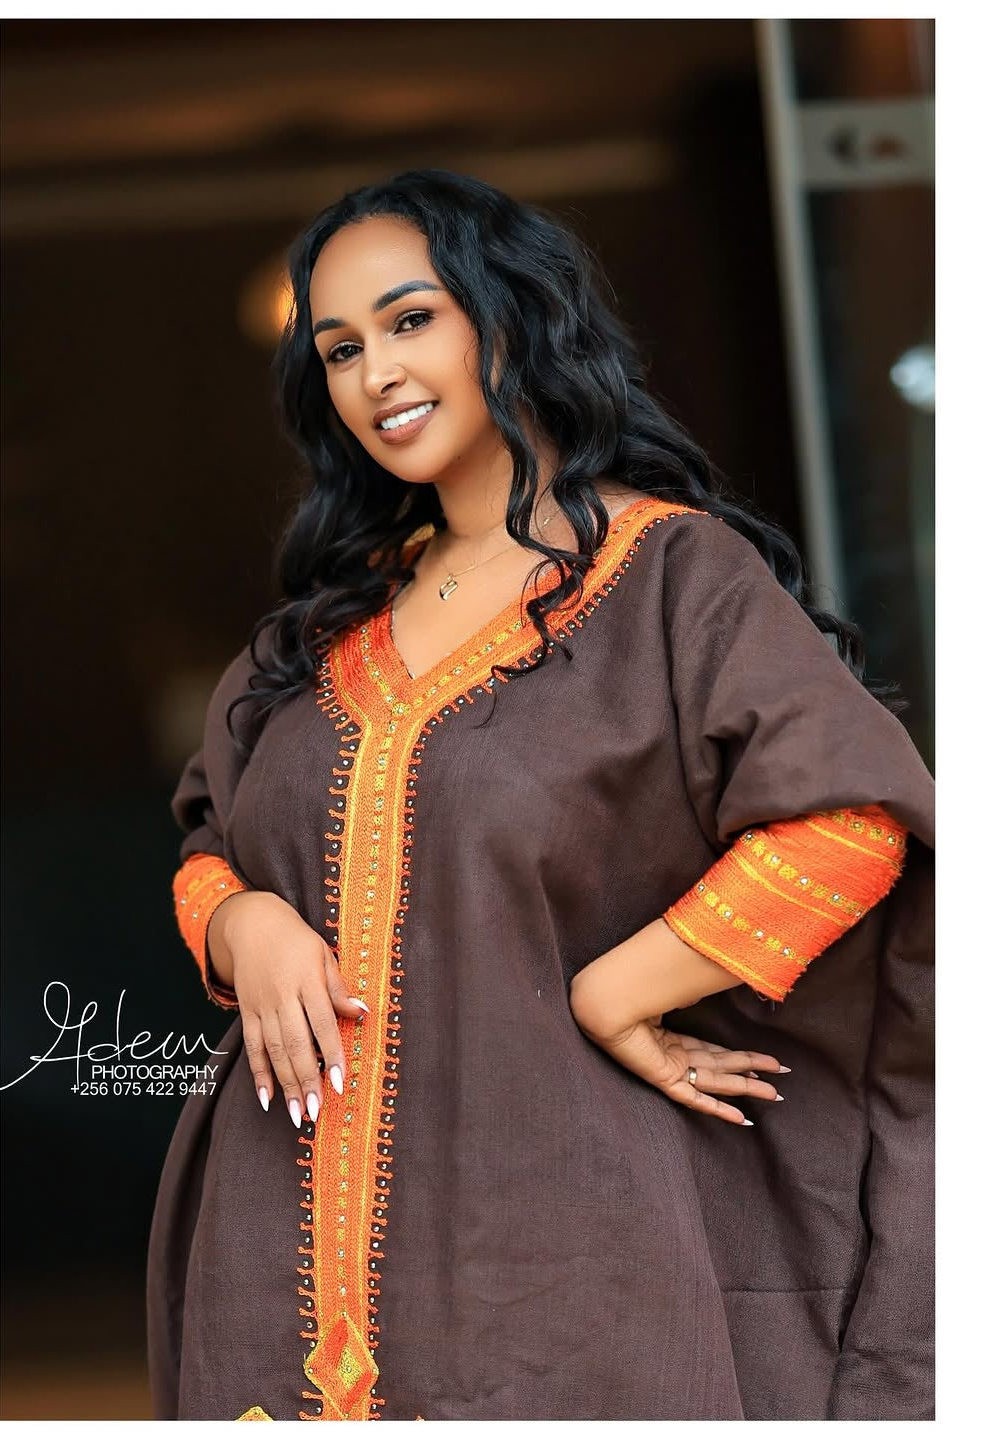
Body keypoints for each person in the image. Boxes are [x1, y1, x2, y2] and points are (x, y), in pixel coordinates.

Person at [146, 169, 934, 1422]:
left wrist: (618, 988)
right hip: (275, 1245)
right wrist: (243, 925)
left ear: (509, 318)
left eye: (412, 320)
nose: (377, 373)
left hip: (560, 1256)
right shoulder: (321, 629)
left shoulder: (674, 579)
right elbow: (208, 845)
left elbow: (852, 819)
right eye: (341, 348)